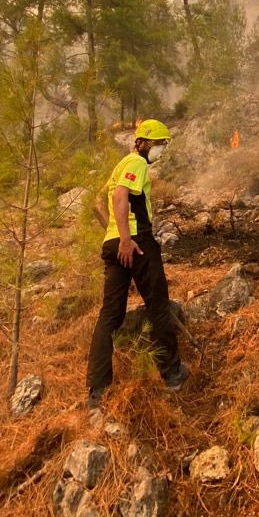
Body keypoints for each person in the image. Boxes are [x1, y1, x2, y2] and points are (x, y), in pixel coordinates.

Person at [86, 119, 188, 410]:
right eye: (160, 144)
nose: (162, 149)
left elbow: (97, 200)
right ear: (145, 143)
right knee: (158, 307)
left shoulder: (120, 165)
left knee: (110, 316)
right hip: (137, 243)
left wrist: (115, 233)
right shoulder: (137, 162)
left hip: (114, 243)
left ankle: (97, 391)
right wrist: (128, 239)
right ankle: (172, 375)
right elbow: (120, 196)